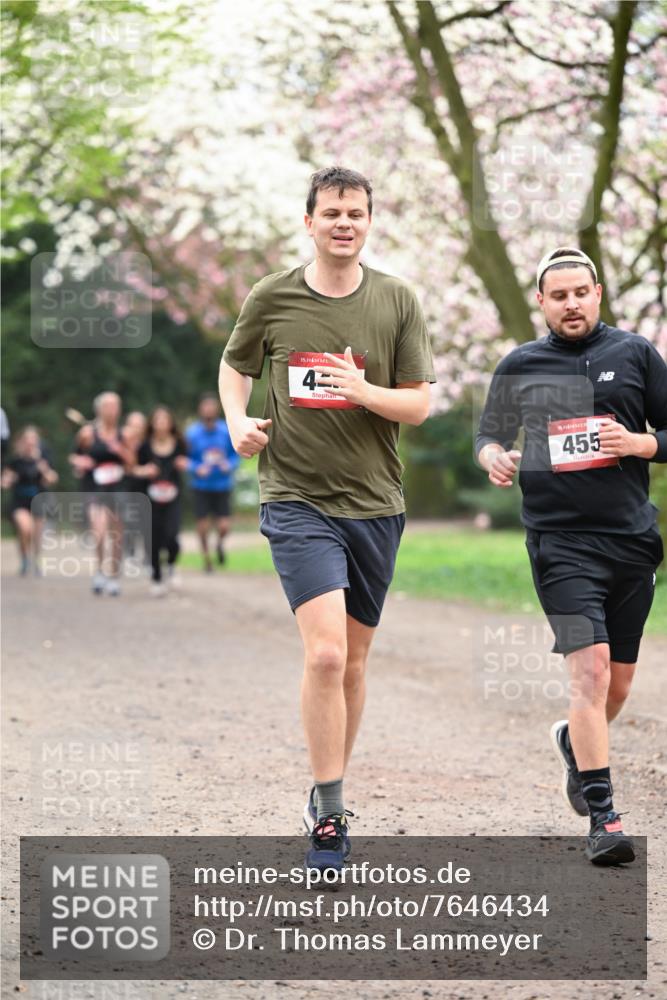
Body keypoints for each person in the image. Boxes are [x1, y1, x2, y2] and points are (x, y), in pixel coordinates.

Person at [219, 165, 435, 871]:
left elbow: (418, 404)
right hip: (296, 497)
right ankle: (331, 809)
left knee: (357, 660)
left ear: (368, 223)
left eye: (356, 213)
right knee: (326, 652)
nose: (344, 223)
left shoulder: (396, 300)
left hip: (375, 503)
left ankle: (325, 795)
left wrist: (363, 389)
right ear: (308, 222)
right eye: (332, 212)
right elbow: (234, 366)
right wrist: (234, 422)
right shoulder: (272, 297)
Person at [476, 246, 667, 866]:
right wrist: (494, 457)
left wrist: (639, 442)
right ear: (542, 302)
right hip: (560, 543)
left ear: (598, 292)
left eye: (580, 293)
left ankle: (572, 741)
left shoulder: (635, 353)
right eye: (558, 296)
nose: (571, 304)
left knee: (617, 683)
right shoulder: (522, 363)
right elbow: (489, 435)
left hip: (632, 541)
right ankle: (604, 818)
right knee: (589, 675)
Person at [68, 392, 134, 596]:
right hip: (95, 489)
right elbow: (74, 456)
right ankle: (99, 571)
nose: (113, 410)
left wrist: (121, 451)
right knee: (99, 532)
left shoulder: (126, 434)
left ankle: (114, 576)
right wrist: (80, 462)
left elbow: (132, 464)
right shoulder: (88, 433)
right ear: (99, 409)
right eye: (108, 406)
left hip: (119, 489)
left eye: (116, 406)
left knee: (117, 536)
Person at [133, 405, 188, 597]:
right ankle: (156, 578)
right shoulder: (144, 447)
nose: (162, 424)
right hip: (151, 499)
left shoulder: (180, 443)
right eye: (158, 420)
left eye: (165, 420)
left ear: (171, 423)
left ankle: (171, 565)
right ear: (152, 424)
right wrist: (145, 470)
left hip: (173, 497)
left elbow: (190, 462)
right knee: (154, 538)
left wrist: (184, 464)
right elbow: (133, 470)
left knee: (172, 536)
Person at [185, 393, 239, 572]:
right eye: (205, 406)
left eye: (212, 406)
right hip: (201, 486)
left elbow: (236, 454)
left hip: (222, 485)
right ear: (200, 409)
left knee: (224, 526)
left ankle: (219, 544)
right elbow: (184, 459)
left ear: (217, 409)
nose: (208, 410)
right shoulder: (192, 433)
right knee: (202, 526)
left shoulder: (226, 430)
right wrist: (196, 468)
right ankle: (207, 559)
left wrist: (228, 465)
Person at [2, 425, 58, 575]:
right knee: (25, 528)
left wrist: (43, 469)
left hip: (38, 500)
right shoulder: (15, 461)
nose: (30, 443)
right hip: (19, 500)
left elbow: (52, 479)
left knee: (36, 534)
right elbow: (5, 482)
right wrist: (8, 479)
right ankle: (25, 558)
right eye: (27, 440)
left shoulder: (43, 459)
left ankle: (36, 559)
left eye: (33, 440)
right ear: (22, 442)